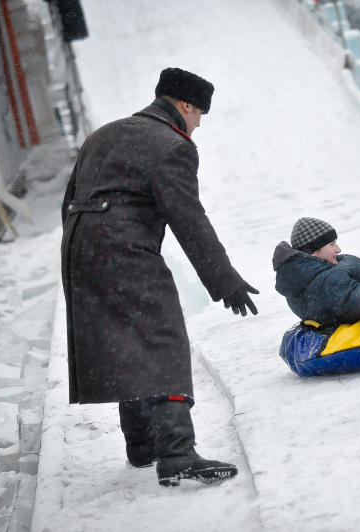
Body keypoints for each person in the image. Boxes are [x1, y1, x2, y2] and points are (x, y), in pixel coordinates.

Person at [61, 67, 258, 487]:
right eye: (200, 114)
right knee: (162, 336)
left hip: (79, 247)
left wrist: (85, 251)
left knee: (123, 338)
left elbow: (70, 199)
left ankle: (141, 444)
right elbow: (189, 218)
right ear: (185, 105)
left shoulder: (104, 134)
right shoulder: (173, 146)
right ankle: (177, 453)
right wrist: (225, 280)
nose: (199, 123)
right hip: (125, 250)